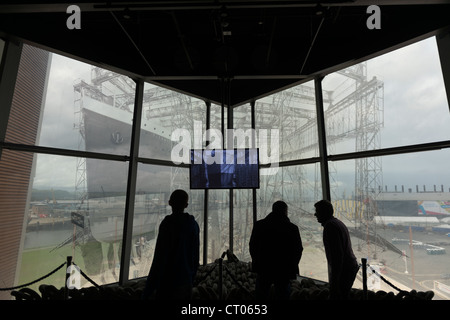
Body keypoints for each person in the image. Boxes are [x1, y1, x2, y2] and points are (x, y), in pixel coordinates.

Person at [142, 189, 200, 300]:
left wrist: (149, 288)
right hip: (185, 280)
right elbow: (195, 255)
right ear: (186, 205)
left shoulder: (167, 224)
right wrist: (191, 277)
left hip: (166, 281)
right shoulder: (193, 225)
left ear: (169, 203)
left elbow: (159, 257)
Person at [249, 201, 303, 299]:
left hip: (264, 268)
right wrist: (292, 265)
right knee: (283, 295)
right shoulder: (292, 228)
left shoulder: (259, 225)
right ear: (285, 211)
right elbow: (298, 249)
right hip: (284, 270)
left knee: (261, 294)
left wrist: (257, 262)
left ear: (273, 210)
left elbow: (253, 246)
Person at [314, 199, 359, 300]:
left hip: (344, 270)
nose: (315, 214)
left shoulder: (330, 227)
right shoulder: (337, 223)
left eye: (317, 211)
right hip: (349, 268)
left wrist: (335, 281)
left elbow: (337, 256)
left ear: (323, 212)